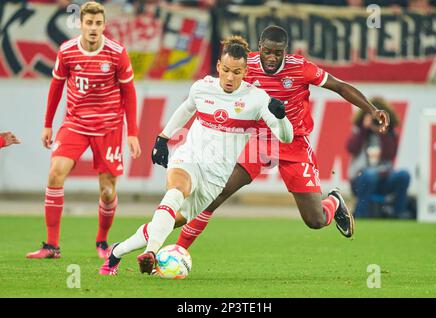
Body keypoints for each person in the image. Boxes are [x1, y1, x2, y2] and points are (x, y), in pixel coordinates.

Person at [174, 25, 390, 250]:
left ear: (286, 51)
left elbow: (340, 86)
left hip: (293, 143)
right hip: (256, 140)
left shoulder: (301, 68)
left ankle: (334, 202)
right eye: (268, 51)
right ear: (260, 48)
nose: (272, 58)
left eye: (278, 53)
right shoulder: (247, 66)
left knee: (315, 220)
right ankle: (178, 251)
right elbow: (224, 87)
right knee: (213, 196)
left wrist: (372, 110)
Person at [98, 36, 294, 275]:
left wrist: (281, 118)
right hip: (190, 157)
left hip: (215, 178)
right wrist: (163, 138)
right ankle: (151, 253)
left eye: (237, 72)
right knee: (175, 191)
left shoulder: (257, 99)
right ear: (219, 67)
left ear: (245, 71)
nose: (230, 77)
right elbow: (187, 108)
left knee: (171, 220)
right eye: (226, 70)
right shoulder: (202, 87)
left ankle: (116, 252)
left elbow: (286, 137)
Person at [26, 1, 141, 259]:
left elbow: (129, 93)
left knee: (107, 191)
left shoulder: (116, 52)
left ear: (104, 25)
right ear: (80, 24)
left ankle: (102, 241)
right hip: (75, 123)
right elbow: (56, 88)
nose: (93, 28)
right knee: (55, 173)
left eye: (98, 23)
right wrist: (47, 124)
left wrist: (131, 132)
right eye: (88, 23)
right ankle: (51, 246)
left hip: (109, 126)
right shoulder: (67, 51)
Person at [347, 97, 410, 218]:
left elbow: (390, 155)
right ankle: (361, 215)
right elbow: (351, 148)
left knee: (404, 175)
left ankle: (399, 213)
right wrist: (365, 128)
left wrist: (383, 132)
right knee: (369, 175)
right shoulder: (359, 129)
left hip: (384, 177)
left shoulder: (390, 132)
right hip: (360, 178)